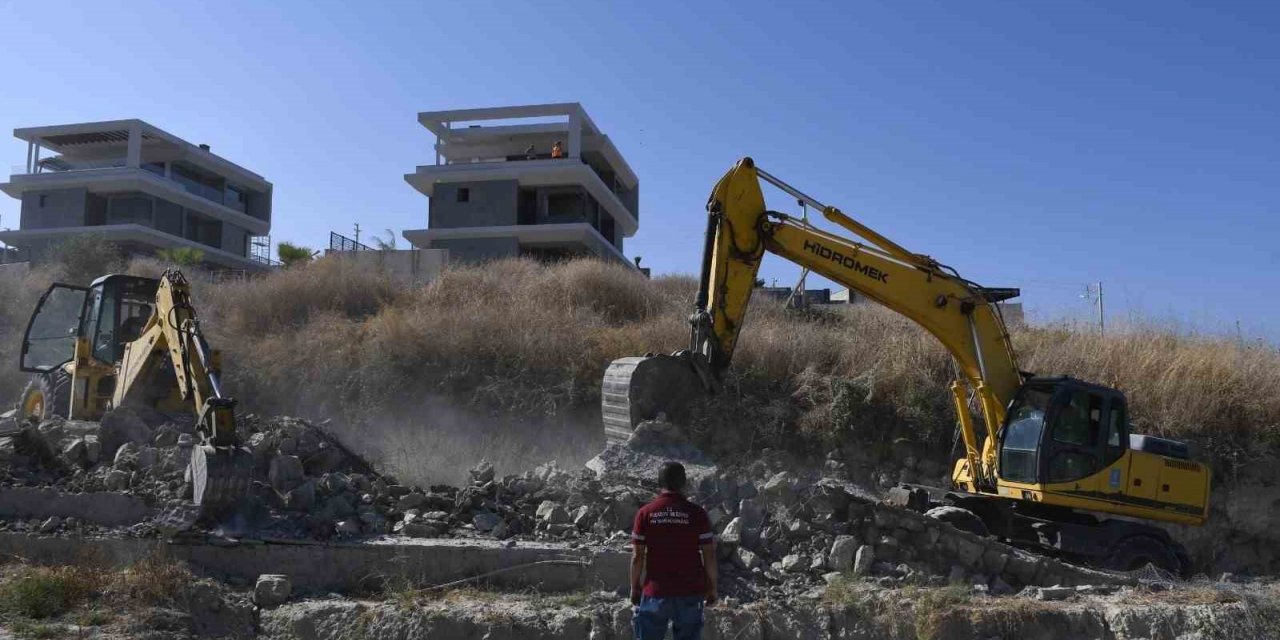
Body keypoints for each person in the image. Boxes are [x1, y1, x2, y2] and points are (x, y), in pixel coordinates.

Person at [631, 461, 717, 640]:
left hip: (655, 593)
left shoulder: (645, 513)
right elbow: (709, 556)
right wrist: (712, 587)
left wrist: (634, 587)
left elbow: (637, 556)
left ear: (659, 483)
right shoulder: (697, 513)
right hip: (690, 593)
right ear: (683, 483)